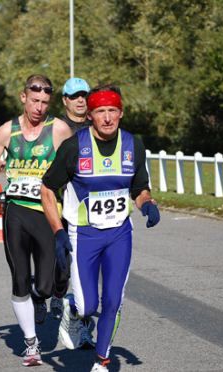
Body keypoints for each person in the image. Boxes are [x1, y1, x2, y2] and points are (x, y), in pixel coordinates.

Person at [41, 84, 161, 372]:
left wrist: (147, 204)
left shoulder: (134, 145)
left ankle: (101, 361)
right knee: (87, 306)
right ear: (91, 116)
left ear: (120, 113)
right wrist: (58, 231)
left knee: (113, 300)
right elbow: (47, 189)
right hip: (84, 235)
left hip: (120, 234)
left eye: (112, 111)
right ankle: (72, 308)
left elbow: (140, 188)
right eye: (100, 112)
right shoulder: (74, 147)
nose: (107, 118)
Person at [0, 74, 72, 366]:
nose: (39, 107)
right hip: (16, 211)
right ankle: (31, 345)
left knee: (44, 286)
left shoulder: (59, 129)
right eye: (34, 101)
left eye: (45, 102)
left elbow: (76, 165)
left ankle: (40, 296)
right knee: (19, 277)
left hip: (47, 212)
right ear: (23, 98)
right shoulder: (7, 132)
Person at [50, 77, 93, 320]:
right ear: (65, 100)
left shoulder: (95, 125)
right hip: (60, 202)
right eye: (75, 96)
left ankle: (80, 311)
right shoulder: (56, 127)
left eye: (84, 95)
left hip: (88, 207)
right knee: (61, 261)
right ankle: (57, 293)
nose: (80, 100)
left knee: (83, 262)